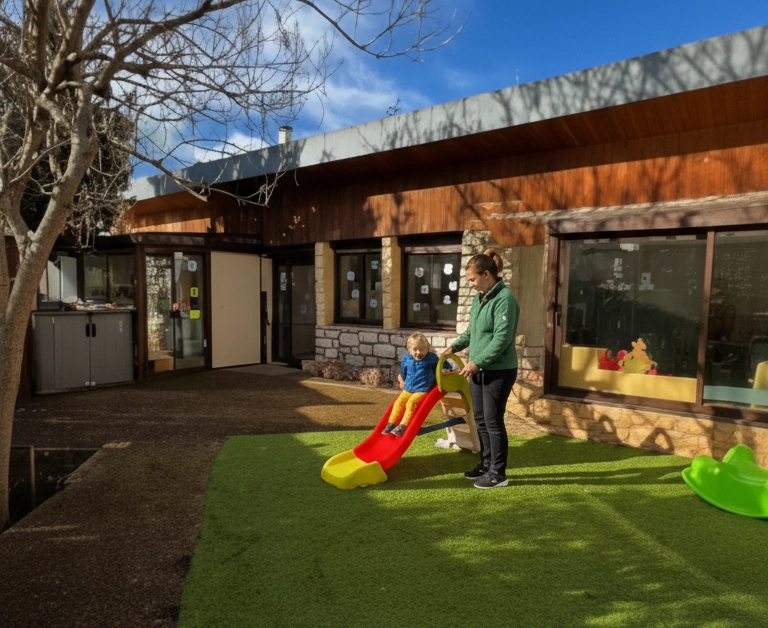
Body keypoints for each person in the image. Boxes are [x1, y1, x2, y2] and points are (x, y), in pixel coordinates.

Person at [442, 249, 520, 489]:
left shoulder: (504, 299)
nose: (471, 285)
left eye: (473, 280)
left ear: (486, 275)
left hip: (499, 371)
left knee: (493, 420)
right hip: (478, 371)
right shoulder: (480, 298)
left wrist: (477, 362)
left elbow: (501, 339)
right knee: (480, 420)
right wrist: (454, 346)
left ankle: (499, 473)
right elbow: (472, 332)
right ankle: (486, 465)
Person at [382, 332, 440, 437]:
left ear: (427, 349)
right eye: (415, 350)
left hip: (422, 389)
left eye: (422, 350)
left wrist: (447, 370)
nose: (418, 352)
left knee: (411, 403)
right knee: (398, 402)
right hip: (408, 388)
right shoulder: (406, 358)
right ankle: (391, 423)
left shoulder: (431, 358)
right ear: (409, 349)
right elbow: (404, 371)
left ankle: (403, 426)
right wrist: (402, 380)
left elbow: (442, 365)